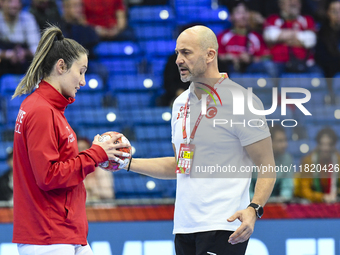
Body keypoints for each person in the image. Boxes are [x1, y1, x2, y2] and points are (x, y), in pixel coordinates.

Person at [125, 25, 276, 255]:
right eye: (177, 53)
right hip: (184, 228)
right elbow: (180, 165)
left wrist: (254, 208)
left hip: (224, 226)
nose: (178, 60)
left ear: (210, 55)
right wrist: (127, 163)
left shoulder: (241, 101)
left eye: (186, 52)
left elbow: (267, 166)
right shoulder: (179, 104)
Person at [11, 25, 130, 255]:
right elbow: (48, 176)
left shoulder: (49, 109)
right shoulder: (41, 110)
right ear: (61, 66)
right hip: (48, 235)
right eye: (81, 71)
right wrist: (95, 154)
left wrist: (95, 152)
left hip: (64, 230)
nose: (83, 81)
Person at [263, 0, 321, 76]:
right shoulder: (273, 19)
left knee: (318, 74)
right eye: (289, 1)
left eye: (297, 1)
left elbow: (311, 40)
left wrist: (282, 38)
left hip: (305, 63)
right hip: (278, 63)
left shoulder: (307, 19)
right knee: (270, 68)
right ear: (281, 4)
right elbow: (270, 36)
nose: (293, 3)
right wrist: (299, 38)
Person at [217, 1, 275, 76]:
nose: (243, 16)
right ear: (231, 16)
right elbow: (216, 56)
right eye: (238, 13)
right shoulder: (223, 36)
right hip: (229, 70)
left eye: (245, 12)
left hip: (251, 72)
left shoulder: (256, 36)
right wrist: (230, 57)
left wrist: (251, 59)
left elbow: (267, 57)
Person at [294, 127, 340, 203]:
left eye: (329, 144)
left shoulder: (338, 160)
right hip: (312, 204)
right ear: (318, 145)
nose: (326, 148)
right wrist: (322, 197)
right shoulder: (308, 161)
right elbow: (305, 191)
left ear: (334, 145)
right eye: (323, 144)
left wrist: (334, 195)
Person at [250, 125, 294, 202]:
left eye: (285, 140)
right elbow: (247, 191)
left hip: (277, 204)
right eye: (280, 141)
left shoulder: (287, 159)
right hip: (252, 204)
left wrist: (276, 201)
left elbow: (287, 189)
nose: (285, 145)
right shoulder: (251, 159)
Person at [0, 0, 41, 77]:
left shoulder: (28, 18)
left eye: (17, 2)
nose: (14, 5)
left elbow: (37, 49)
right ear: (2, 2)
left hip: (25, 65)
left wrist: (24, 53)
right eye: (10, 1)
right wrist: (7, 54)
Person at [78, 137, 114, 202]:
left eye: (83, 148)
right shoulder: (74, 171)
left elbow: (108, 194)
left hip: (102, 207)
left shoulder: (102, 169)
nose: (81, 151)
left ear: (89, 150)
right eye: (78, 149)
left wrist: (92, 189)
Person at [315, 0, 340, 79]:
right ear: (328, 13)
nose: (338, 15)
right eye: (335, 11)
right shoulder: (322, 32)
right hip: (330, 73)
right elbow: (322, 59)